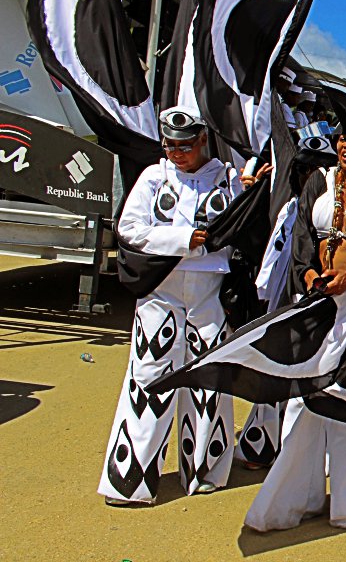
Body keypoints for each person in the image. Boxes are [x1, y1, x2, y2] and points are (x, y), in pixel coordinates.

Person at [244, 89, 346, 532]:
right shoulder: (319, 182)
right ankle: (299, 497)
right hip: (313, 301)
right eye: (342, 139)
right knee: (303, 402)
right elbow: (299, 237)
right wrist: (308, 277)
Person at [99, 105, 248, 506]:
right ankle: (131, 480)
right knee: (147, 379)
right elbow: (128, 229)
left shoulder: (227, 178)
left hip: (207, 294)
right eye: (170, 145)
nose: (177, 152)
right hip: (159, 294)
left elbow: (240, 229)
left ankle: (204, 470)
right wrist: (183, 239)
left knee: (208, 382)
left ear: (203, 140)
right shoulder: (153, 176)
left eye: (185, 145)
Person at [235, 133, 336, 470]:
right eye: (305, 171)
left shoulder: (336, 216)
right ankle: (260, 446)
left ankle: (309, 452)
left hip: (318, 302)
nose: (311, 178)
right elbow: (272, 257)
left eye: (319, 171)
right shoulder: (290, 208)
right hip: (283, 301)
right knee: (275, 370)